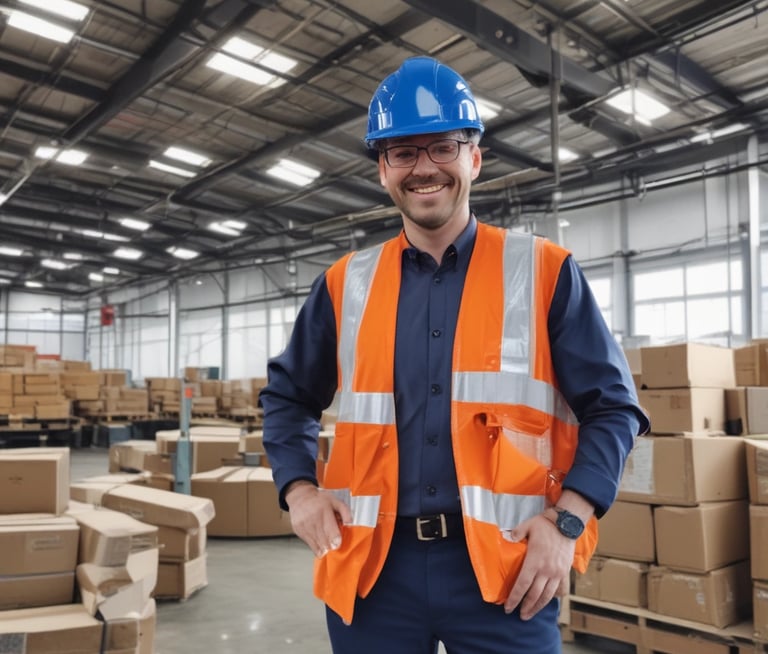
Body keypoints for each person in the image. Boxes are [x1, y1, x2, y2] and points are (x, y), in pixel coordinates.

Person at [260, 56, 649, 654]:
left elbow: (614, 408)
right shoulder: (345, 284)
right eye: (403, 152)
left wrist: (568, 521)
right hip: (372, 573)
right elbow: (288, 396)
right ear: (383, 171)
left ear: (475, 158)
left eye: (443, 147)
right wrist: (299, 491)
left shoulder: (544, 272)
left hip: (506, 572)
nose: (424, 168)